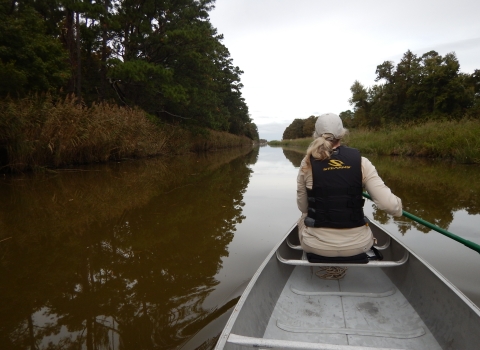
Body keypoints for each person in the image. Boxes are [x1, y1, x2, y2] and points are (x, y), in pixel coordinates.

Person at [297, 113, 402, 257]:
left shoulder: (306, 163)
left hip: (316, 246)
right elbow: (390, 206)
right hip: (359, 246)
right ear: (342, 134)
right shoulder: (362, 162)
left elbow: (303, 207)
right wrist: (399, 208)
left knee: (303, 215)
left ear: (316, 135)